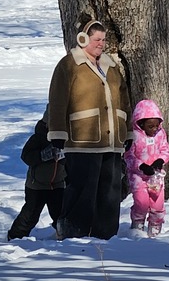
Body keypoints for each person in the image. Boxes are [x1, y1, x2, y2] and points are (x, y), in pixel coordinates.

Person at [46, 17, 132, 240]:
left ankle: (106, 233)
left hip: (112, 140)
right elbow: (57, 100)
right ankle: (74, 231)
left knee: (110, 192)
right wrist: (57, 132)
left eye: (103, 39)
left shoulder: (111, 67)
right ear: (83, 39)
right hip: (82, 139)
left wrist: (128, 131)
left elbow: (125, 100)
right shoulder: (69, 65)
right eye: (96, 39)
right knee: (82, 189)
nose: (101, 44)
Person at [7, 112, 67, 240]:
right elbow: (26, 156)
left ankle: (65, 235)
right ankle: (15, 236)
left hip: (58, 184)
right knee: (30, 214)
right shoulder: (38, 137)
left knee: (60, 213)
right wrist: (43, 155)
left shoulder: (66, 139)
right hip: (36, 185)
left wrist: (64, 157)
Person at [124, 99, 169, 237]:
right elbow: (129, 156)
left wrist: (160, 160)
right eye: (150, 126)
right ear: (141, 123)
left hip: (156, 176)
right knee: (142, 203)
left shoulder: (160, 134)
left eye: (156, 126)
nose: (154, 129)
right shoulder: (134, 136)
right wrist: (141, 166)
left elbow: (165, 150)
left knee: (158, 205)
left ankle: (155, 227)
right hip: (138, 177)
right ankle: (138, 226)